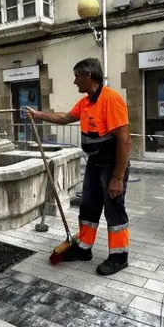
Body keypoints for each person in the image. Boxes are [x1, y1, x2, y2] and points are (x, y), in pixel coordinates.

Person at [26, 58, 132, 276]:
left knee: (114, 210)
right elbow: (65, 117)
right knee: (88, 208)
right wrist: (39, 115)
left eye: (77, 76)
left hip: (111, 166)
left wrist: (117, 177)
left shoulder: (110, 100)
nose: (74, 81)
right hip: (94, 164)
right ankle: (83, 249)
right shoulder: (86, 102)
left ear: (88, 77)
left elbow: (124, 140)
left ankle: (119, 257)